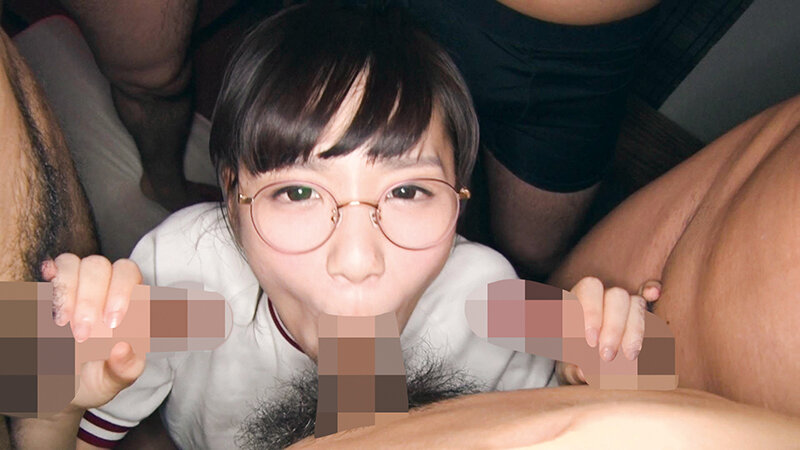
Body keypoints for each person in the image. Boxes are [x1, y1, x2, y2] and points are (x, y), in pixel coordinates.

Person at [8, 4, 653, 449]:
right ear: (231, 197)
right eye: (297, 192)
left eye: (407, 191)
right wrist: (49, 407)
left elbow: (644, 373)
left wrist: (611, 360)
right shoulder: (184, 283)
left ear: (459, 199)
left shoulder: (491, 299)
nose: (357, 258)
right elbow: (33, 378)